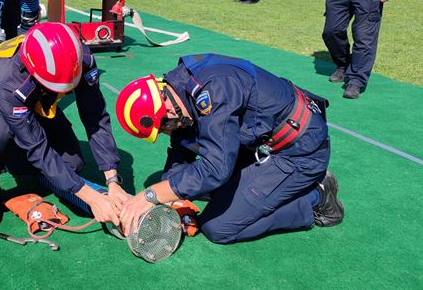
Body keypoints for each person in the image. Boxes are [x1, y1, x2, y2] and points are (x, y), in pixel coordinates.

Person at [115, 53, 344, 244]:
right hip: (271, 143)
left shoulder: (213, 91)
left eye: (163, 128)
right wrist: (171, 198)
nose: (167, 133)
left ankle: (316, 198)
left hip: (301, 153)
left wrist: (150, 195)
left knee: (217, 227)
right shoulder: (181, 90)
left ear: (168, 110)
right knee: (191, 186)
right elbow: (182, 148)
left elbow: (216, 169)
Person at [0, 22, 130, 229]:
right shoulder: (7, 77)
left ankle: (15, 159)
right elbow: (37, 147)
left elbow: (95, 116)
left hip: (38, 94)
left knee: (73, 165)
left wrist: (112, 179)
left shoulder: (80, 57)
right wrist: (91, 197)